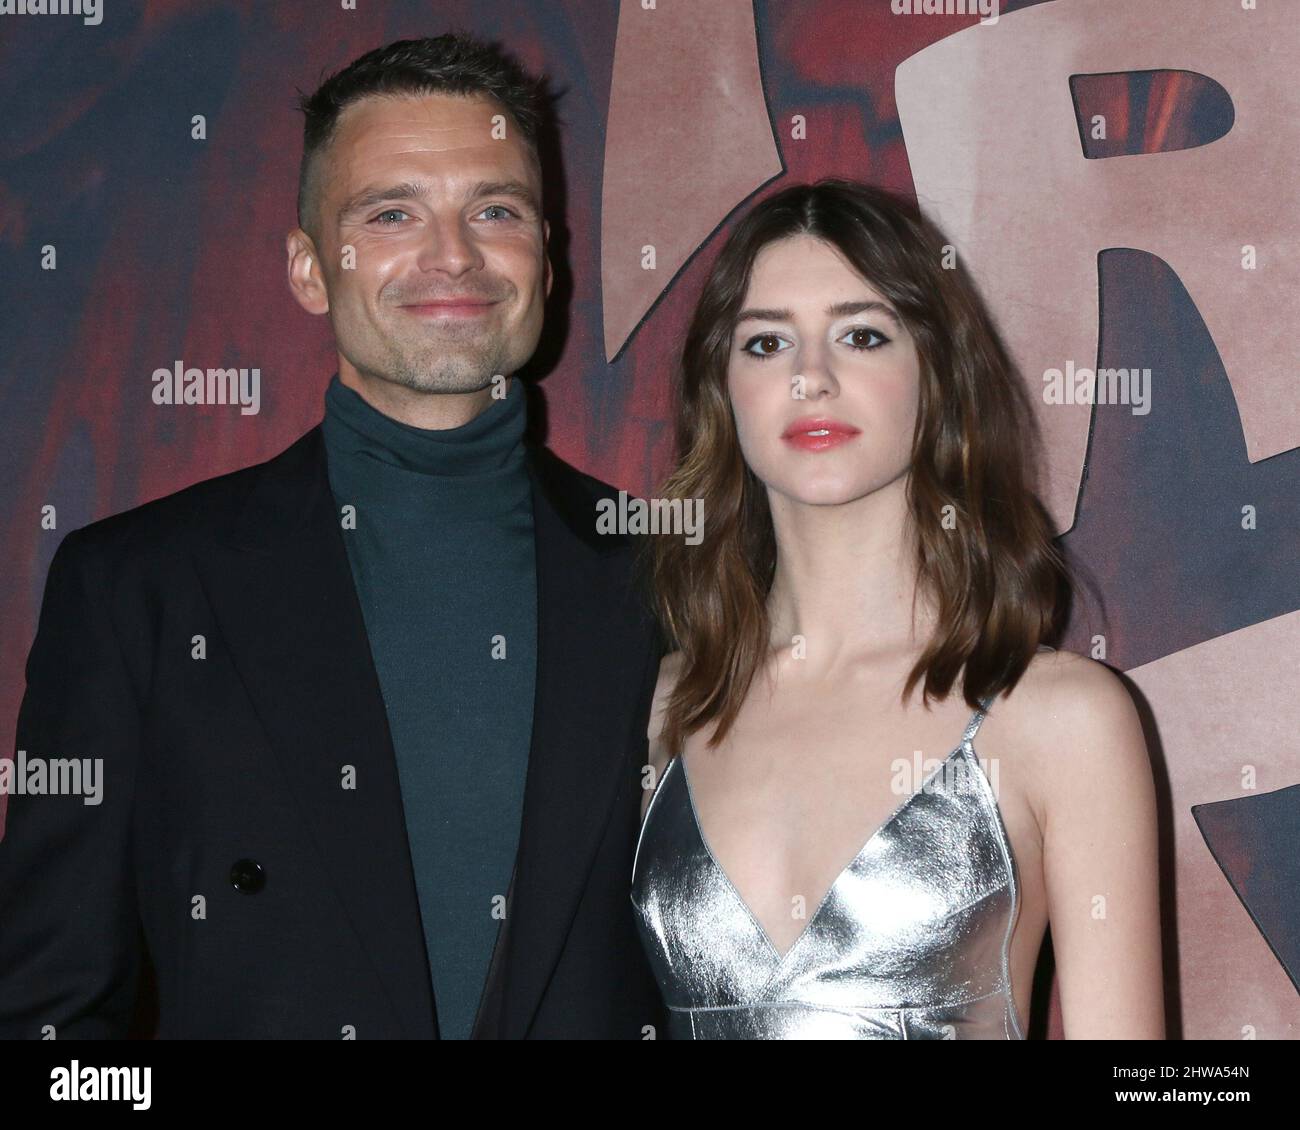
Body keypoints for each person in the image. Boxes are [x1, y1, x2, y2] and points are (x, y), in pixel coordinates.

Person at [0, 32, 666, 1040]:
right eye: (393, 212)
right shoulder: (136, 589)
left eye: (495, 209)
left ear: (548, 258)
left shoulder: (677, 582)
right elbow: (50, 1026)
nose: (454, 254)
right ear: (310, 269)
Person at [631, 179, 1165, 1039]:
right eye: (767, 343)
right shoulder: (658, 711)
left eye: (862, 335)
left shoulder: (1058, 718)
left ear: (938, 376)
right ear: (721, 393)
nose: (811, 376)